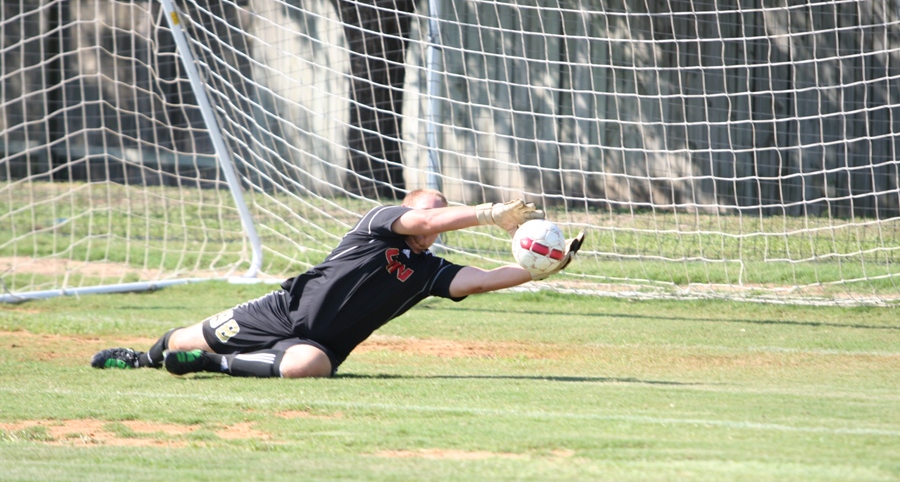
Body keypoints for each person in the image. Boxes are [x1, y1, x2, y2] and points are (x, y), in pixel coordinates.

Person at [91, 189, 584, 378]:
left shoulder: (430, 271)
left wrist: (545, 266)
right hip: (281, 310)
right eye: (426, 212)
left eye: (437, 215)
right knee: (179, 338)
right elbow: (414, 222)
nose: (430, 222)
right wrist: (488, 214)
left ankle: (211, 365)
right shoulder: (379, 221)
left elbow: (482, 281)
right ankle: (143, 358)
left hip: (321, 344)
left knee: (307, 367)